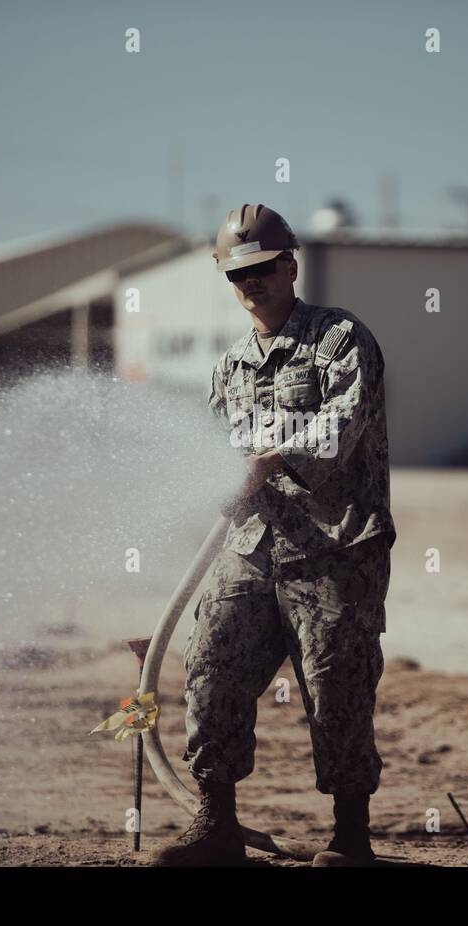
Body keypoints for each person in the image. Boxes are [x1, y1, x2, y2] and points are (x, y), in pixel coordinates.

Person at [154, 204, 396, 867]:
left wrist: (268, 458)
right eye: (237, 274)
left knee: (336, 687)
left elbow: (345, 427)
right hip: (250, 549)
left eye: (262, 269)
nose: (250, 284)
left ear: (290, 266)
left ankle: (350, 841)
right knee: (211, 668)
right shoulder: (231, 365)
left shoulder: (340, 339)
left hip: (334, 550)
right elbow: (209, 450)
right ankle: (216, 826)